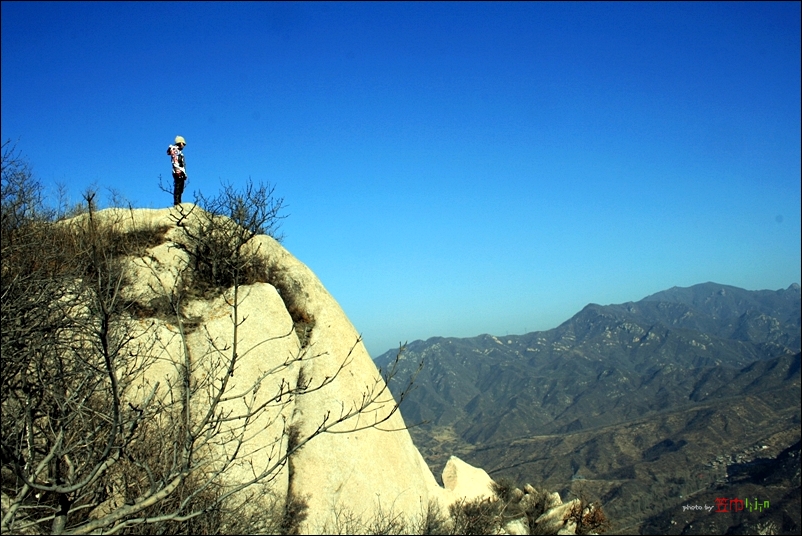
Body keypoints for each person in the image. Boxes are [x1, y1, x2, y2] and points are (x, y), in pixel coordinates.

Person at [167, 135, 187, 205]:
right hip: (178, 171)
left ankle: (178, 202)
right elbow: (176, 161)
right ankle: (177, 203)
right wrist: (178, 170)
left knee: (180, 188)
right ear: (180, 143)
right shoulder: (175, 150)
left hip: (180, 171)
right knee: (178, 187)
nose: (184, 145)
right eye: (183, 144)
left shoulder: (177, 151)